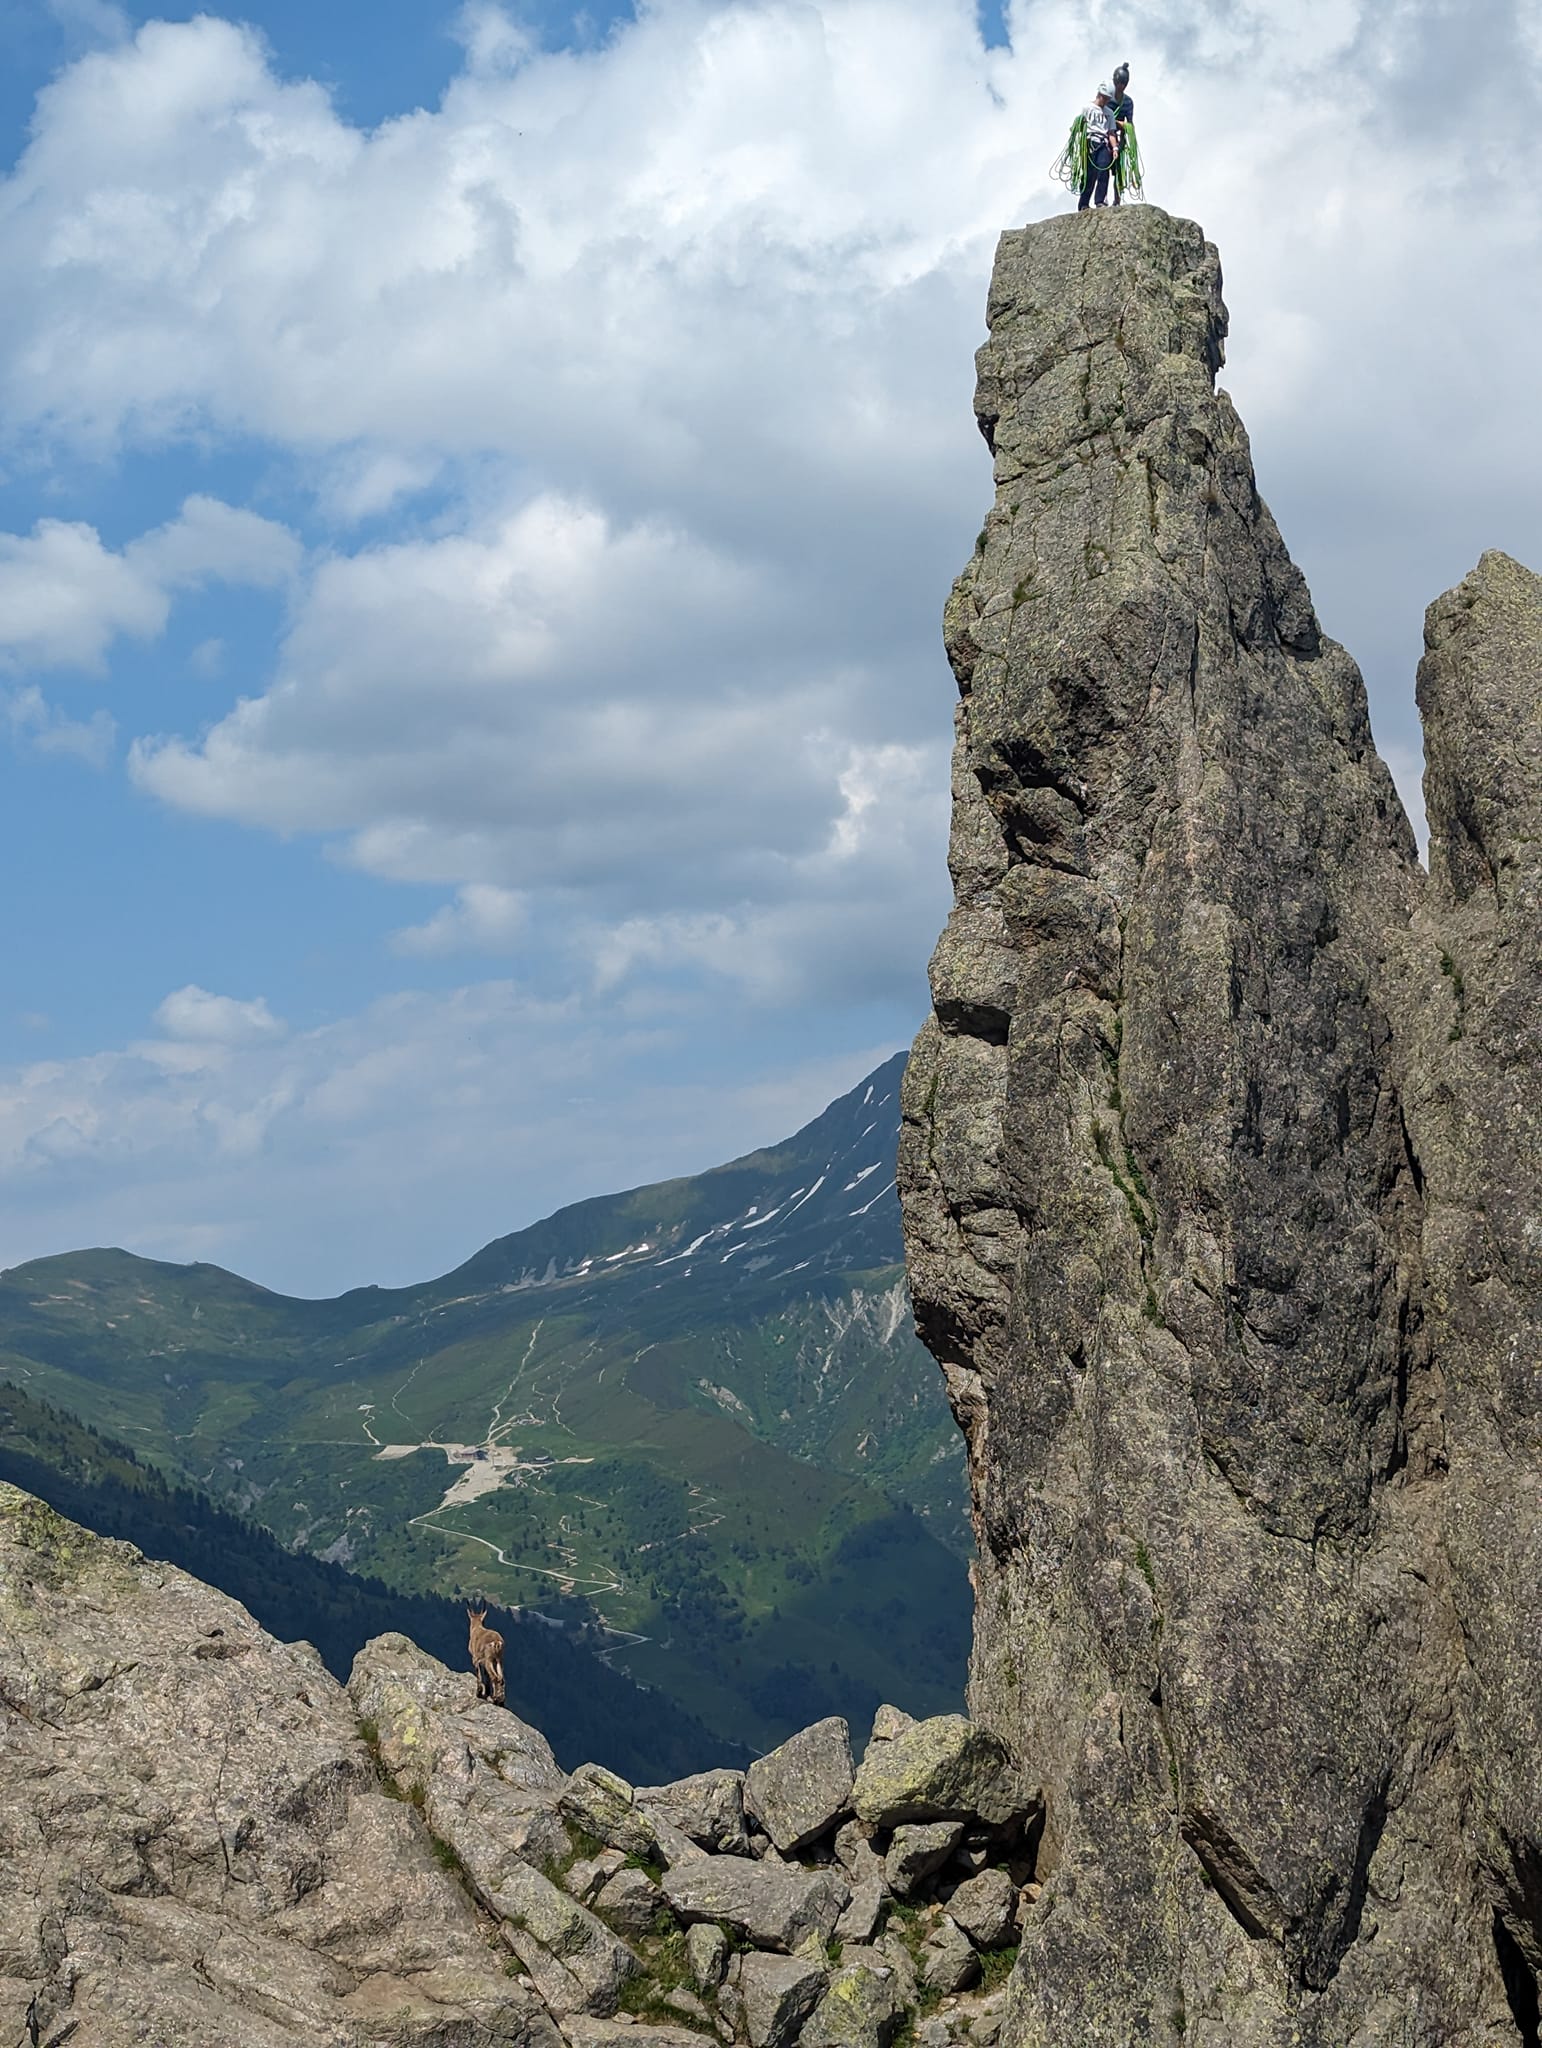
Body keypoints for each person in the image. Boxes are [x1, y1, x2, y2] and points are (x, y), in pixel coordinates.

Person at [1078, 86, 1118, 212]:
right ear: (1099, 94)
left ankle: (1100, 200)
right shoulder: (1087, 108)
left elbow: (1111, 132)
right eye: (1104, 98)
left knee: (1104, 170)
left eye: (1107, 99)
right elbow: (1081, 126)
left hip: (1103, 143)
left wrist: (1115, 148)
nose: (1105, 101)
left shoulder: (1109, 113)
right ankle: (1083, 203)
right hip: (1090, 142)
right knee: (1089, 174)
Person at [1108, 63, 1136, 204]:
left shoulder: (1128, 102)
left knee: (1119, 171)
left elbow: (1130, 123)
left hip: (1120, 139)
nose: (1122, 86)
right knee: (1102, 168)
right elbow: (1102, 116)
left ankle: (1117, 199)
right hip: (1104, 136)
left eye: (1124, 84)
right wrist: (1117, 123)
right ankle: (1101, 199)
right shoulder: (1107, 99)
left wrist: (1123, 127)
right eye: (1120, 83)